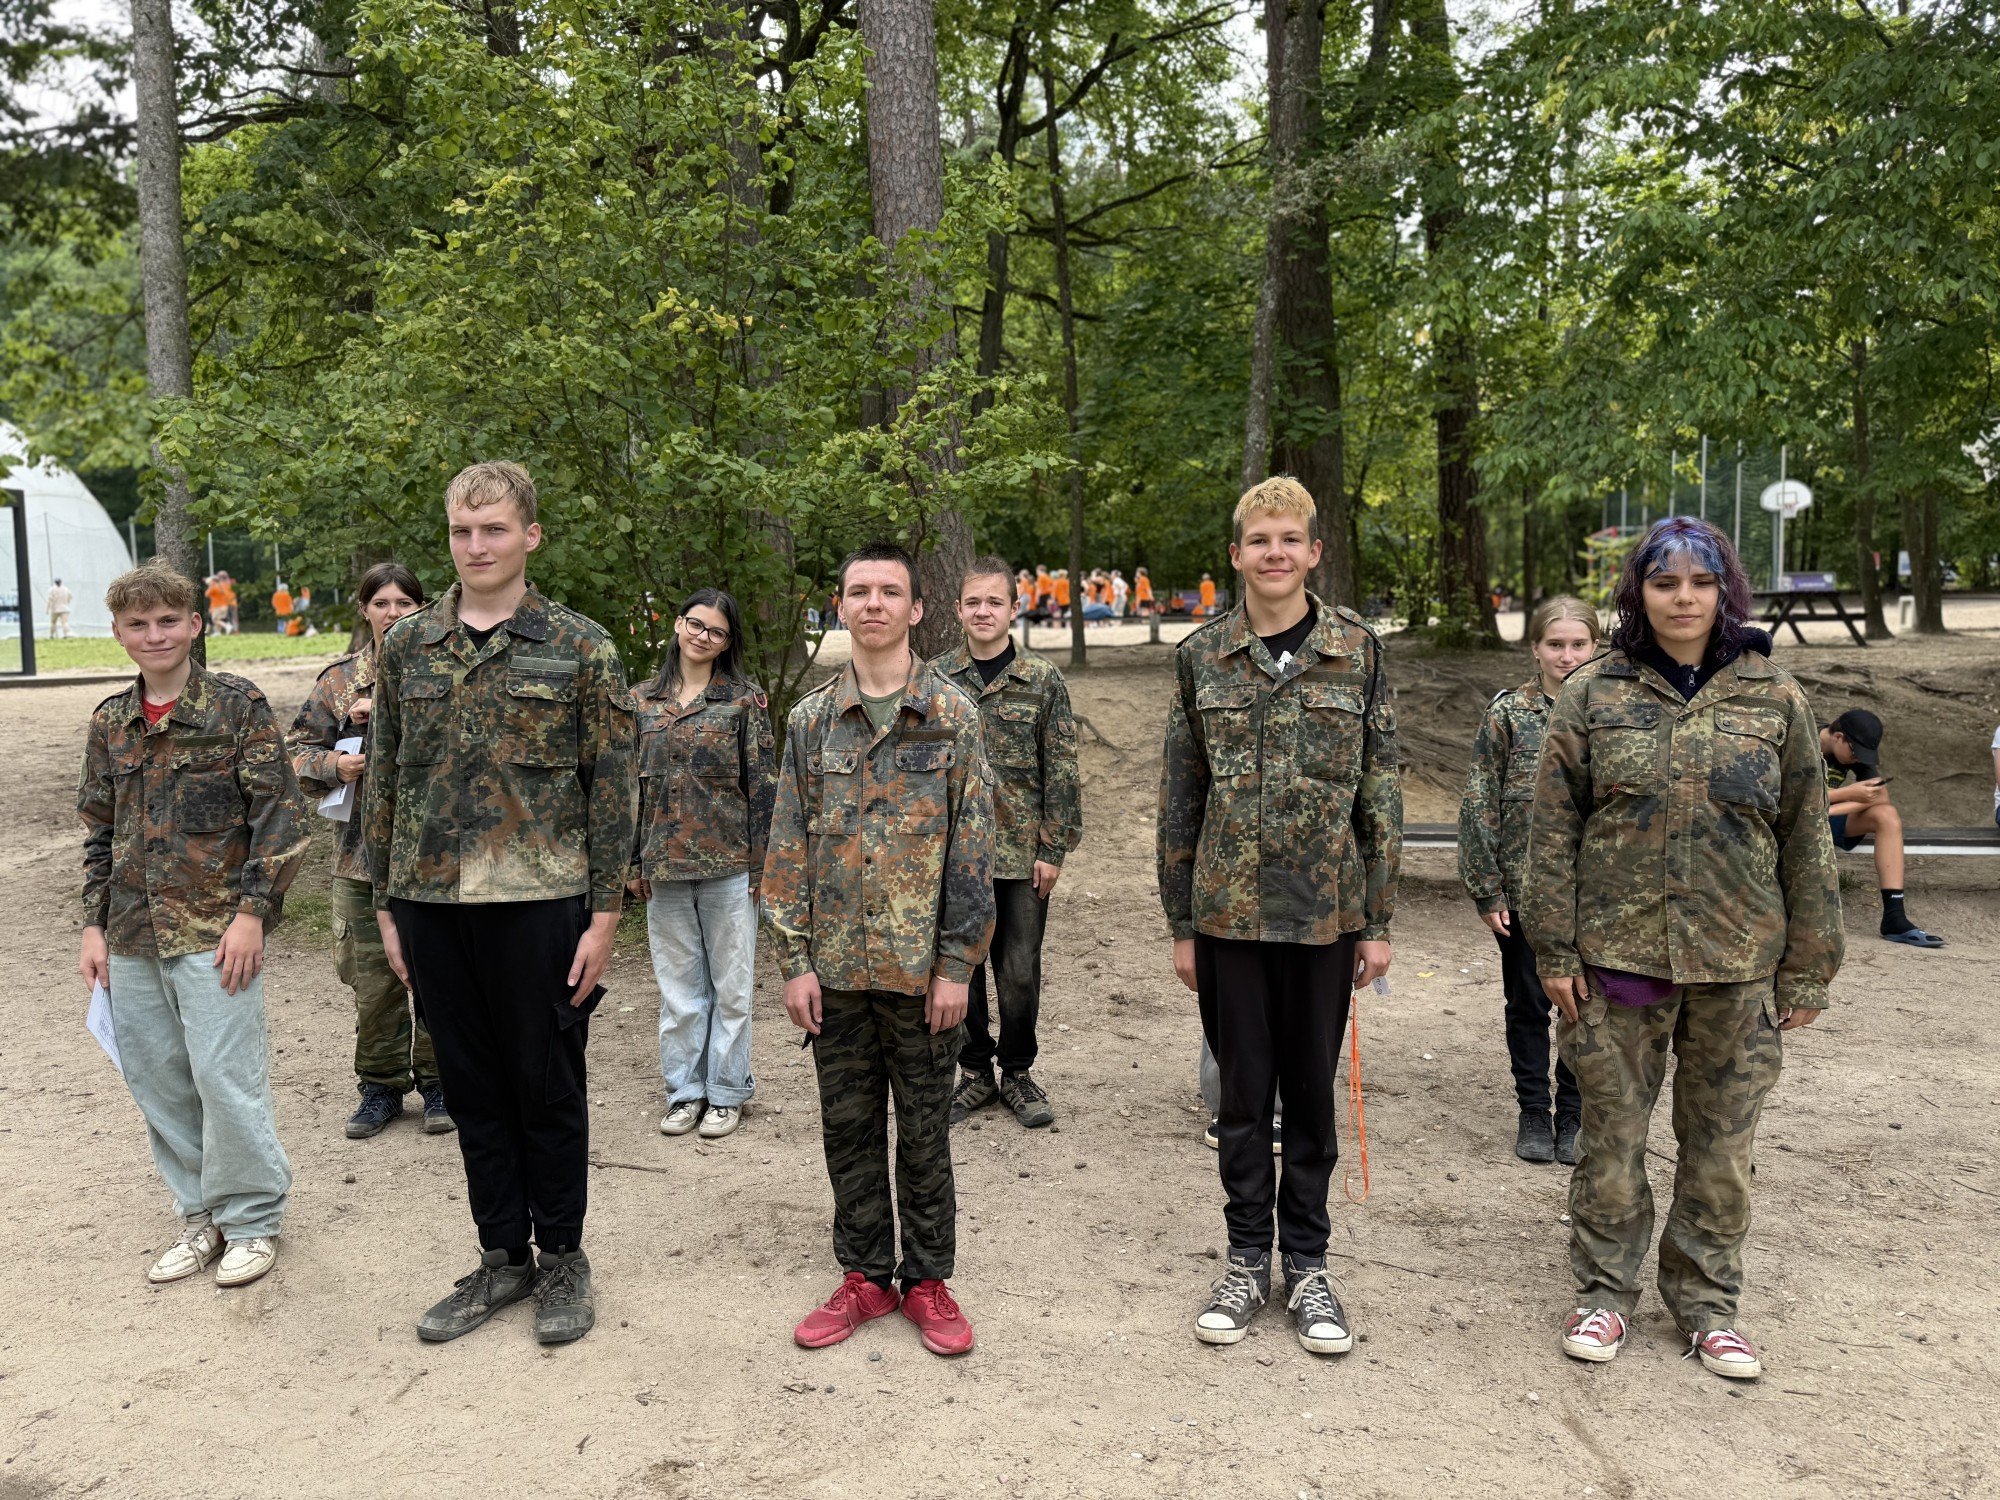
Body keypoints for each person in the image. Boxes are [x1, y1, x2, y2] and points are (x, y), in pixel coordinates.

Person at [1525, 516, 1843, 1382]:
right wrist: (1555, 950)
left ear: (1724, 590)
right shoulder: (1593, 694)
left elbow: (1806, 839)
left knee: (1721, 1147)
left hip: (1738, 964)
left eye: (1701, 582)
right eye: (1665, 583)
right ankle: (1604, 1293)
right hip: (1616, 961)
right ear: (1639, 592)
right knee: (1611, 1140)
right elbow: (1551, 832)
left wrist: (1810, 967)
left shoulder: (1775, 698)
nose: (1684, 598)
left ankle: (1708, 1306)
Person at [363, 460, 636, 1347]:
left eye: (494, 529)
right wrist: (385, 904)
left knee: (546, 1088)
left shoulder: (582, 647)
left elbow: (613, 790)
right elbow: (385, 779)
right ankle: (503, 1257)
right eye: (461, 531)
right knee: (473, 1090)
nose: (475, 546)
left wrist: (605, 916)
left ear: (530, 536)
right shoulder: (407, 647)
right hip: (431, 901)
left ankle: (562, 1256)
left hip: (541, 902)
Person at [1158, 475, 1401, 1357]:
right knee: (1240, 1097)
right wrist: (1180, 923)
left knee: (1309, 1097)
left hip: (1326, 917)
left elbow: (1381, 789)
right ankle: (1243, 1259)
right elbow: (1181, 796)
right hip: (1228, 917)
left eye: (1289, 539)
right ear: (1237, 554)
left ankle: (1306, 1263)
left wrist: (1378, 919)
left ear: (1313, 551)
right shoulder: (1201, 657)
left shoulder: (1357, 652)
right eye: (1259, 539)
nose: (1274, 553)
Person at [763, 541, 994, 1358]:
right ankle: (865, 1275)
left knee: (925, 1133)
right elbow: (786, 844)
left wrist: (957, 966)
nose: (873, 604)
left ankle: (927, 1280)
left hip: (923, 974)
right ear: (840, 605)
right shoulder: (810, 722)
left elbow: (973, 851)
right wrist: (793, 961)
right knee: (849, 1130)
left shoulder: (953, 715)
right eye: (858, 591)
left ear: (916, 608)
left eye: (889, 591)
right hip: (836, 972)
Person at [76, 561, 307, 1290]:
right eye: (138, 624)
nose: (155, 635)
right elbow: (99, 832)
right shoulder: (110, 722)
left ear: (195, 624)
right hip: (132, 933)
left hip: (216, 933)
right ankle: (201, 1213)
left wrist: (253, 915)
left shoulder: (237, 708)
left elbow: (280, 819)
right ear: (118, 634)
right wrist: (93, 926)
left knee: (223, 1077)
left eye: (168, 620)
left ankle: (252, 1218)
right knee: (159, 1080)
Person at [287, 562, 451, 1140]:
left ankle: (441, 1083)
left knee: (436, 974)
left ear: (422, 608)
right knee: (374, 980)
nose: (393, 613)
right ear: (365, 610)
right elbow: (295, 753)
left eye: (405, 603)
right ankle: (380, 1087)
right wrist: (336, 762)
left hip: (434, 858)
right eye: (381, 603)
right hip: (360, 859)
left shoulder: (444, 671)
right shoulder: (338, 681)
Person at [936, 557, 1083, 1130]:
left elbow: (1062, 770)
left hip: (1022, 856)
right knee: (961, 969)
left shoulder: (1042, 680)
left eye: (994, 602)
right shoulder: (936, 678)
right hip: (953, 857)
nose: (983, 611)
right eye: (973, 602)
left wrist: (1054, 849)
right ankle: (975, 1071)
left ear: (1014, 609)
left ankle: (1017, 1071)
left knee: (1019, 971)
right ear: (958, 609)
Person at [1457, 595, 1600, 1166]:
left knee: (1584, 1002)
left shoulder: (1613, 711)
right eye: (1555, 644)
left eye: (1579, 644)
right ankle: (1534, 1112)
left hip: (1595, 890)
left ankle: (1574, 1113)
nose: (1567, 655)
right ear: (1535, 648)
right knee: (1527, 1002)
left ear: (1596, 647)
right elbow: (1479, 800)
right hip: (1521, 891)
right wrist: (1486, 886)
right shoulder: (1509, 715)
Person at [629, 588, 776, 1142]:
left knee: (732, 990)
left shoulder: (744, 702)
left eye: (716, 631)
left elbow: (763, 786)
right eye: (696, 624)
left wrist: (763, 867)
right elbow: (628, 790)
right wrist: (631, 861)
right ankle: (685, 1092)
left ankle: (727, 1092)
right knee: (679, 994)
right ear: (677, 624)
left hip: (730, 866)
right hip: (663, 869)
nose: (702, 636)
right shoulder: (640, 702)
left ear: (727, 642)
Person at [1820, 708, 1944, 948]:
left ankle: (1894, 917)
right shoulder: (1802, 740)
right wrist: (1848, 793)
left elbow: (1881, 796)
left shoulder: (1852, 750)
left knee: (1887, 815)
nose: (1858, 760)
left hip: (1823, 813)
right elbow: (1788, 794)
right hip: (1789, 816)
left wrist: (1829, 810)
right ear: (1838, 737)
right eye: (1856, 753)